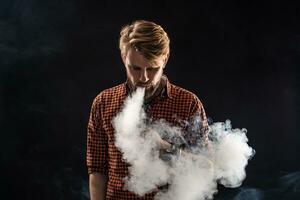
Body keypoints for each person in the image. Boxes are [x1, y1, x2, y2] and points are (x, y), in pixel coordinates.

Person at [87, 20, 209, 200]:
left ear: (165, 59)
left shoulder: (189, 103)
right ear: (123, 57)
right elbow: (97, 171)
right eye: (135, 68)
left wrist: (168, 150)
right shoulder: (103, 103)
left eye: (152, 69)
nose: (143, 77)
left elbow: (207, 168)